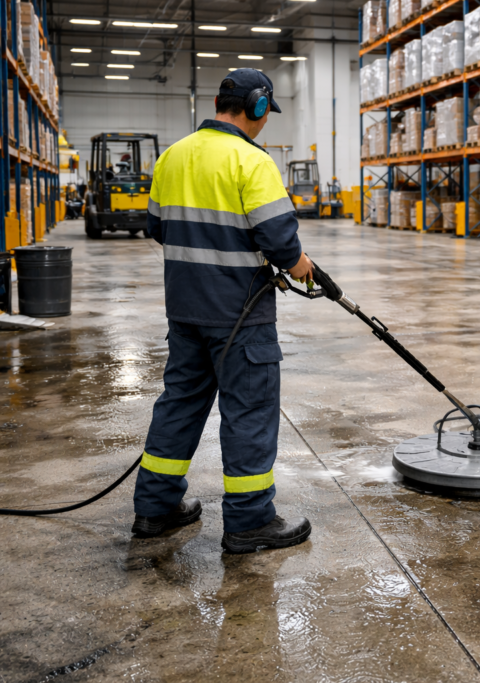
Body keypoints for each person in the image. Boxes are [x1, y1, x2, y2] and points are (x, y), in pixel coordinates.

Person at [131, 68, 314, 553]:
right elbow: (278, 240)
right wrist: (300, 266)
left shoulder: (173, 156)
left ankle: (155, 508)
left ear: (218, 102)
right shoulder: (250, 161)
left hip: (185, 312)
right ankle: (250, 521)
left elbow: (157, 228)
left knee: (179, 405)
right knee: (249, 412)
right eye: (265, 113)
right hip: (240, 315)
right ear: (257, 108)